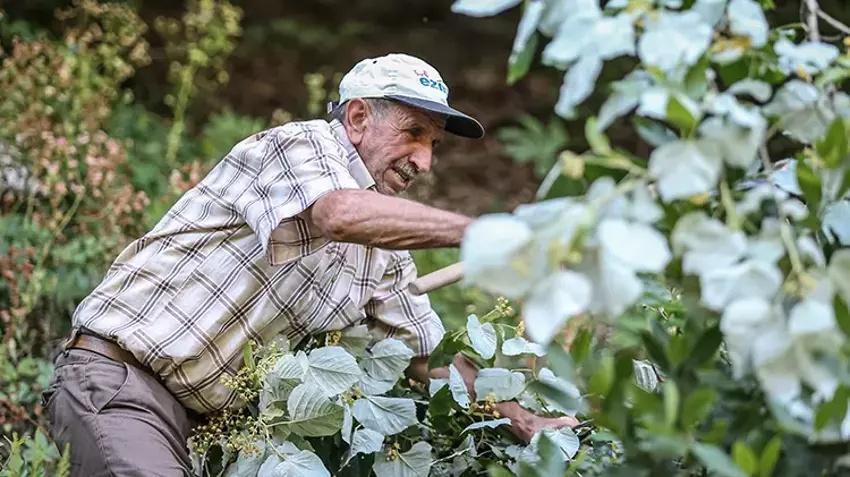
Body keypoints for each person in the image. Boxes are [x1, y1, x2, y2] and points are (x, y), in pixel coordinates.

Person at [43, 53, 576, 476]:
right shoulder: (299, 146)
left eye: (433, 145)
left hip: (210, 435)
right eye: (414, 134)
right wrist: (485, 233)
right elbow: (339, 214)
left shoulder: (384, 250)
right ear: (359, 116)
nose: (425, 161)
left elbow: (428, 359)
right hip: (122, 383)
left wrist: (526, 421)